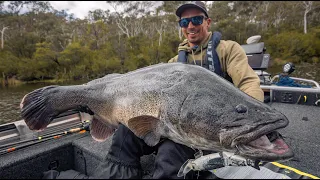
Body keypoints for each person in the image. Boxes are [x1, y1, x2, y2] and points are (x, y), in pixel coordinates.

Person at [93, 1, 264, 179]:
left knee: (170, 153)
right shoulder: (174, 62)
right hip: (173, 124)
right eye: (184, 22)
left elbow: (248, 83)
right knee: (125, 135)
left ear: (208, 22)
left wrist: (250, 123)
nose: (190, 26)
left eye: (197, 20)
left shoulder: (228, 49)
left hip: (208, 129)